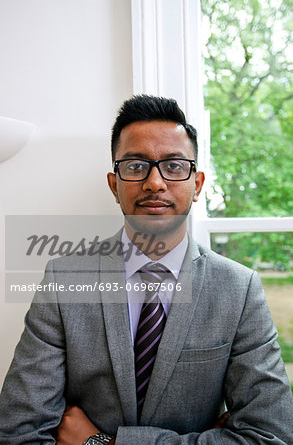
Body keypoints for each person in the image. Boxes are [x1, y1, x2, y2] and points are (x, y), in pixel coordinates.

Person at [0, 95, 292, 444]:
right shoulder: (64, 281)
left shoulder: (239, 289)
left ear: (196, 184)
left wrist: (102, 443)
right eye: (136, 166)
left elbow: (270, 435)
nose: (155, 183)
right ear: (114, 185)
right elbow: (18, 431)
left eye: (174, 165)